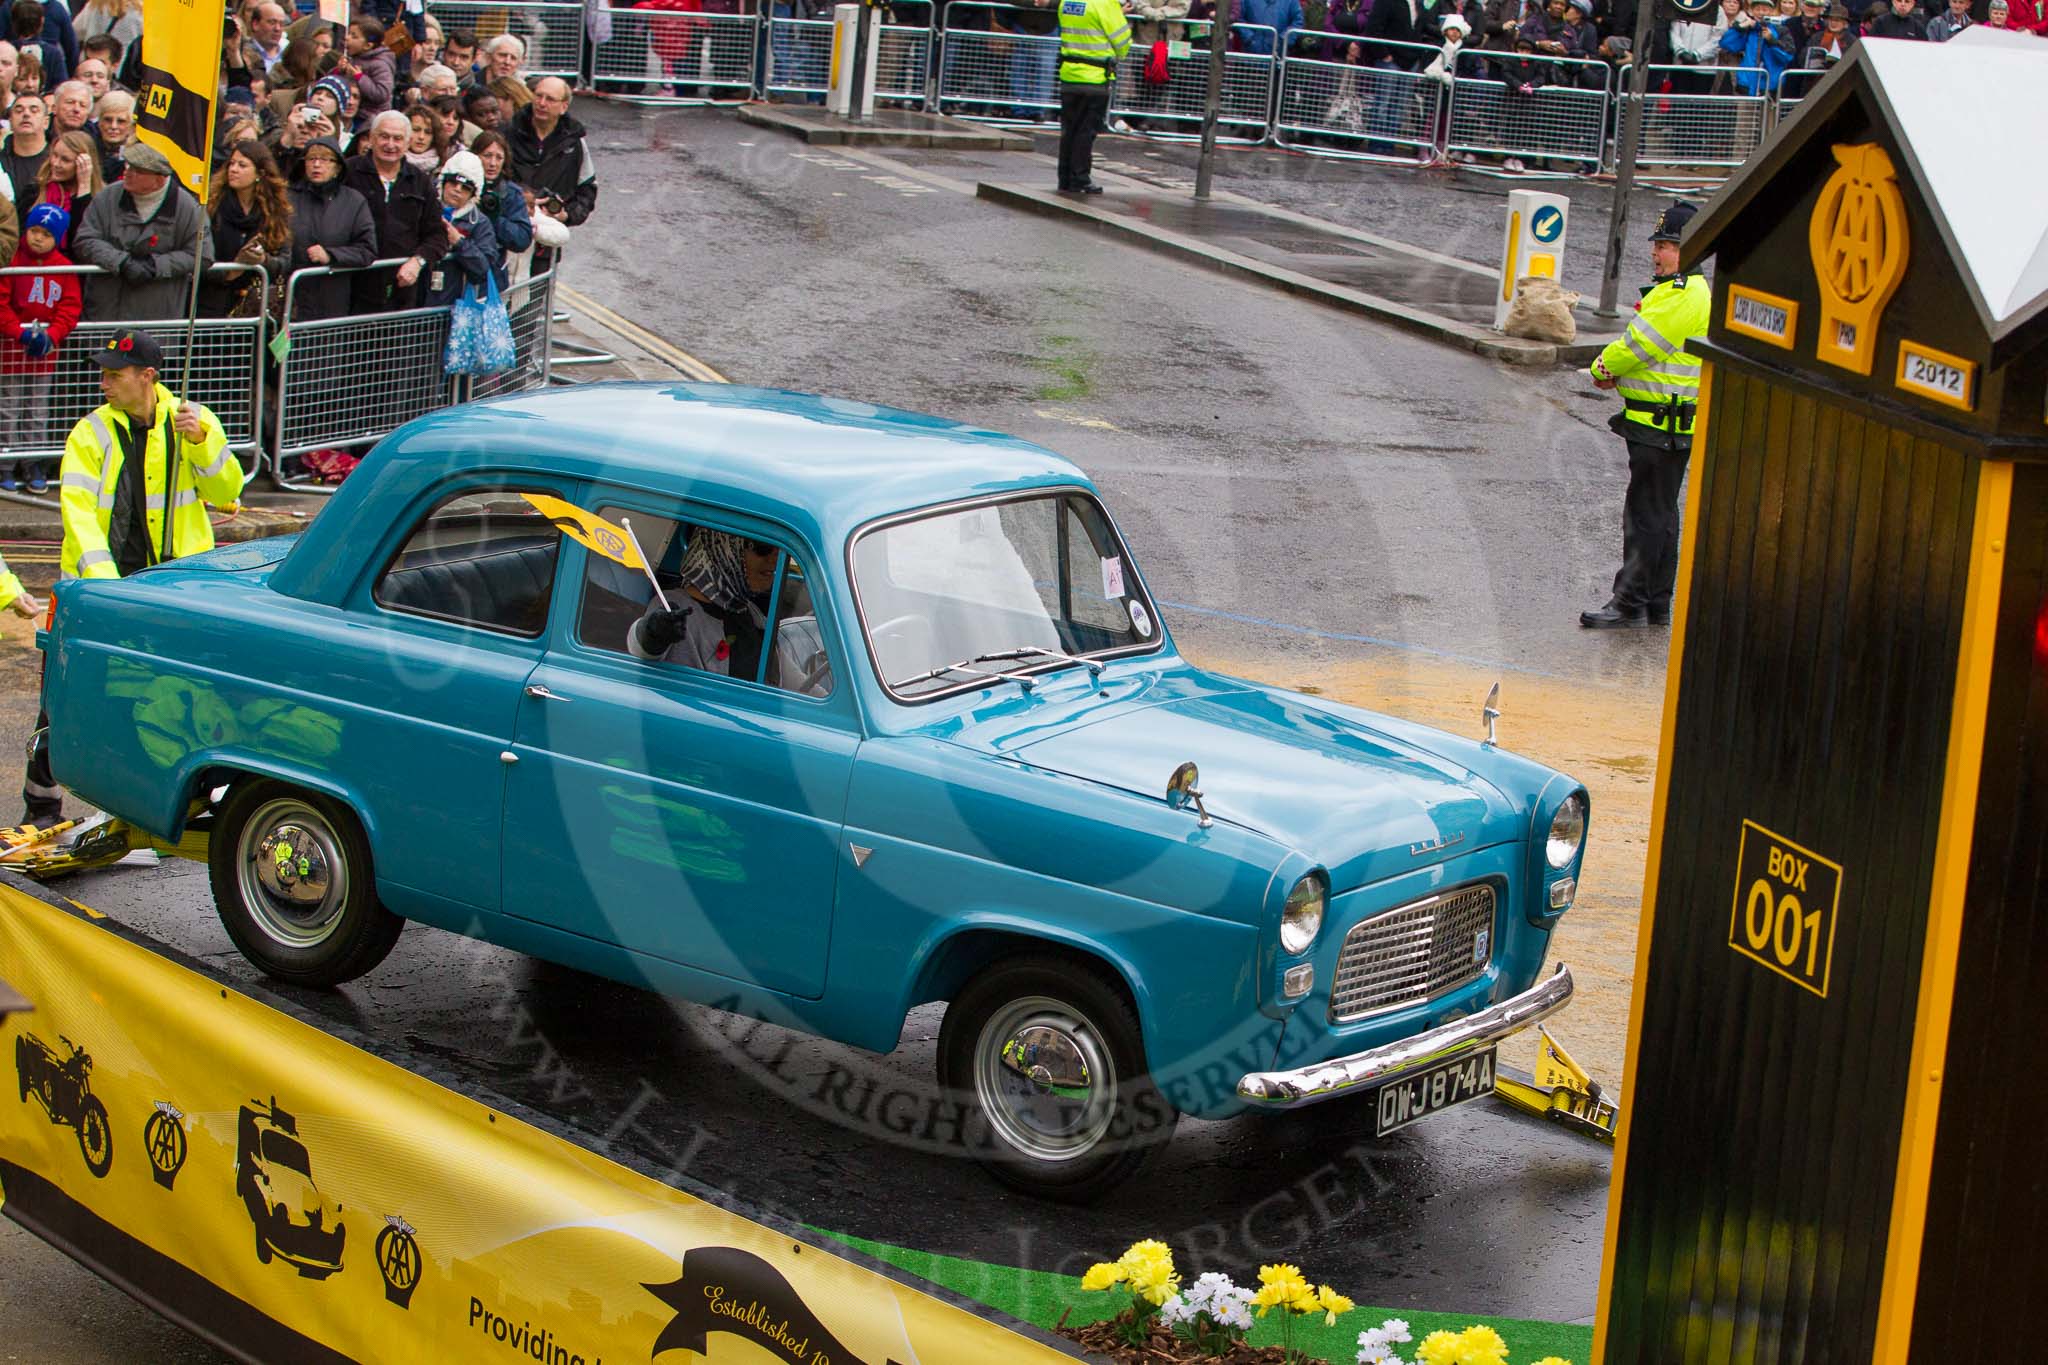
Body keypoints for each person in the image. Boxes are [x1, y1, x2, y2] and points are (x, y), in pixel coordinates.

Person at [27, 326, 244, 824]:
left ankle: (179, 805)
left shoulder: (193, 420)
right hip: (106, 589)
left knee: (175, 697)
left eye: (114, 374)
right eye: (102, 374)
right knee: (68, 692)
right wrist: (109, 591)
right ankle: (41, 803)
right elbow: (78, 515)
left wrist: (204, 442)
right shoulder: (91, 432)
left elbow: (226, 489)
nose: (103, 382)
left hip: (176, 588)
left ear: (147, 376)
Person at [1580, 202, 1710, 631]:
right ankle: (1656, 601)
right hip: (1666, 424)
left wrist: (1603, 369)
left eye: (1668, 245)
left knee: (1645, 518)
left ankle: (1629, 601)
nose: (1657, 252)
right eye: (1658, 244)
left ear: (1689, 250)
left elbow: (1637, 346)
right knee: (1662, 515)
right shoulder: (1684, 293)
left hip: (1661, 427)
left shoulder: (1681, 296)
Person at [73, 142, 217, 318]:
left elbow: (202, 255)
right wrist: (122, 262)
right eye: (128, 165)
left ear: (159, 179)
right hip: (106, 312)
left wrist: (155, 265)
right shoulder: (107, 197)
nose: (127, 172)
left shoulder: (187, 209)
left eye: (137, 170)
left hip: (158, 317)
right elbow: (85, 239)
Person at [629, 530, 780, 677]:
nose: (775, 558)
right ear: (724, 550)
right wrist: (652, 634)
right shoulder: (673, 606)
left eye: (777, 548)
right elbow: (642, 653)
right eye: (762, 547)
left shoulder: (748, 611)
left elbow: (789, 678)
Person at [1, 202, 78, 490]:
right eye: (33, 230)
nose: (37, 238)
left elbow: (70, 307)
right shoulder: (12, 260)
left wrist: (53, 335)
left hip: (45, 352)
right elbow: (1, 303)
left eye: (46, 234)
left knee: (37, 409)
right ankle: (6, 463)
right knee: (8, 408)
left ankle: (34, 462)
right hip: (11, 350)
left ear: (56, 238)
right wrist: (18, 333)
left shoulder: (65, 267)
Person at [343, 109, 445, 312]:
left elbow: (436, 234)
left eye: (398, 138)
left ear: (407, 143)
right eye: (384, 136)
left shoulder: (420, 181)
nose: (390, 144)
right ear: (371, 139)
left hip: (402, 292)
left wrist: (418, 261)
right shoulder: (348, 173)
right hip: (353, 287)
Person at [283, 135, 375, 319]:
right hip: (291, 299)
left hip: (332, 300)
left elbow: (367, 250)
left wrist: (331, 255)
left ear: (337, 167)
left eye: (325, 159)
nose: (317, 165)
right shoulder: (287, 198)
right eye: (311, 159)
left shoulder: (354, 201)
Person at [203, 138, 292, 317]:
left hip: (256, 309)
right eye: (232, 164)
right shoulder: (212, 206)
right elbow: (201, 260)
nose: (233, 169)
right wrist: (235, 268)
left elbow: (285, 261)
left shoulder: (275, 210)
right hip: (212, 305)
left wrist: (262, 260)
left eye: (242, 165)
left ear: (260, 173)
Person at [1053, 0, 1129, 193]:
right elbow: (1122, 41)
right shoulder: (1105, 4)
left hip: (1069, 74)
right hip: (1095, 77)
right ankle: (1080, 178)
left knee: (1069, 130)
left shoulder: (1067, 2)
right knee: (1085, 131)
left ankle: (1065, 178)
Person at [507, 77, 597, 232]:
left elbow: (587, 190)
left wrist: (566, 215)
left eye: (550, 99)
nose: (542, 103)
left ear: (564, 106)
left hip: (549, 230)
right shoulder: (508, 134)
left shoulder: (574, 143)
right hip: (510, 224)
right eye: (538, 96)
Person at [420, 149, 499, 304]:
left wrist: (459, 243)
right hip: (414, 301)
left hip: (454, 307)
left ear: (473, 194)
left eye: (465, 188)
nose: (457, 190)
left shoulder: (479, 223)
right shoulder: (423, 208)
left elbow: (483, 270)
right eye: (453, 183)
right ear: (443, 182)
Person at [27, 129, 97, 250]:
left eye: (65, 160)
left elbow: (81, 238)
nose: (56, 163)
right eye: (54, 155)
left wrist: (84, 187)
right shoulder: (35, 190)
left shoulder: (100, 198)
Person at [1, 87, 47, 209]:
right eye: (19, 110)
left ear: (46, 122)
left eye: (34, 110)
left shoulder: (56, 161)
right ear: (10, 121)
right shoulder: (1, 163)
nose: (26, 114)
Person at [344, 16, 397, 115]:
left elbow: (382, 94)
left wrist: (360, 78)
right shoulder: (353, 58)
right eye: (348, 34)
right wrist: (340, 70)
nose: (347, 38)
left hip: (370, 116)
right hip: (353, 112)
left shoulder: (380, 64)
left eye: (354, 36)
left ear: (368, 45)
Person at [91, 87, 129, 179]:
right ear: (99, 122)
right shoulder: (87, 148)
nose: (113, 126)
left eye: (121, 121)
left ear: (131, 125)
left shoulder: (138, 156)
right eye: (108, 120)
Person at [247, 0, 288, 70]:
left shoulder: (289, 51)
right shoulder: (243, 53)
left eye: (281, 24)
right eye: (272, 22)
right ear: (255, 24)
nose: (277, 29)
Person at [1862, 0, 1926, 36]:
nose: (1903, 4)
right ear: (1893, 2)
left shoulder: (1918, 27)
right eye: (1899, 0)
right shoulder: (1880, 22)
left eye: (1907, 1)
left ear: (1912, 4)